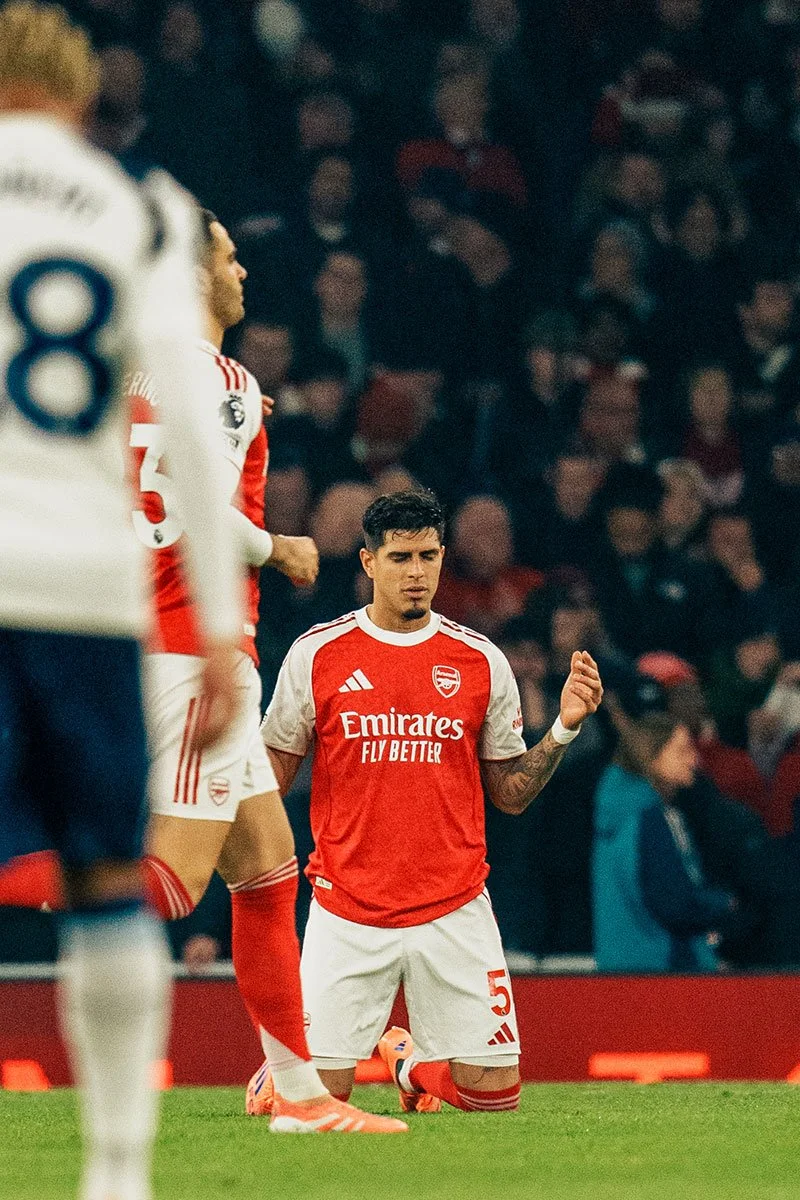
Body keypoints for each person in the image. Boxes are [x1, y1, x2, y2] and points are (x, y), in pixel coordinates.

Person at [0, 5, 243, 1199]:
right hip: (88, 591)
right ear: (82, 93)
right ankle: (113, 1176)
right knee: (106, 880)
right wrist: (219, 629)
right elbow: (190, 410)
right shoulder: (137, 203)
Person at [129, 209, 406, 1135]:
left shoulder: (121, 372)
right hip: (196, 652)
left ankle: (299, 1093)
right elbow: (204, 511)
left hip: (145, 638)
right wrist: (281, 546)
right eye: (228, 256)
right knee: (171, 883)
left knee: (266, 871)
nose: (242, 270)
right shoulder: (224, 381)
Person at [248, 490, 603, 1115]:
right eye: (400, 557)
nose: (416, 573)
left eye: (428, 556)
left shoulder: (480, 660)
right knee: (317, 1102)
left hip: (454, 905)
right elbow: (272, 775)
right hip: (347, 908)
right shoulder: (318, 654)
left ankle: (408, 1065)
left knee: (494, 1097)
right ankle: (283, 1077)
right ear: (369, 562)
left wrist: (564, 728)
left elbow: (510, 794)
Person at [593, 712, 739, 972]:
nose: (694, 759)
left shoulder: (619, 813)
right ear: (652, 756)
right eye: (682, 750)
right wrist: (723, 904)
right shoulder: (649, 818)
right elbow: (672, 903)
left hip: (622, 966)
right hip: (665, 969)